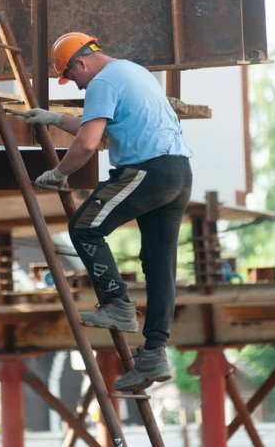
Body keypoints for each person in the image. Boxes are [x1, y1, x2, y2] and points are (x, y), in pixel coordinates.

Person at [17, 32, 193, 392]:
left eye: (72, 77)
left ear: (80, 63)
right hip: (177, 173)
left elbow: (87, 143)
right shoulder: (132, 73)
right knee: (160, 265)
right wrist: (53, 118)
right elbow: (96, 127)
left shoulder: (102, 81)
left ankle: (118, 305)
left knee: (83, 227)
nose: (78, 86)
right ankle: (153, 355)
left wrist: (58, 174)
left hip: (147, 171)